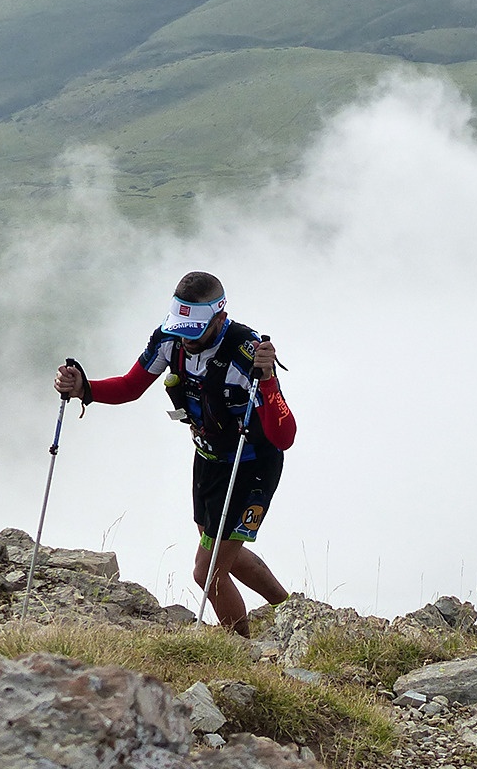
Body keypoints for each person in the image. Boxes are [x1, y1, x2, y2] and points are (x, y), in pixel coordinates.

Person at [54, 271, 296, 636]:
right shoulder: (169, 338)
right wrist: (84, 388)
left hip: (250, 468)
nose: (187, 340)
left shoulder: (247, 353)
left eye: (194, 332)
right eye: (182, 330)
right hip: (208, 460)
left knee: (208, 571)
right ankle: (293, 611)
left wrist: (269, 380)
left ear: (219, 317)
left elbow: (284, 435)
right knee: (222, 553)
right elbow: (130, 386)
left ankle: (242, 649)